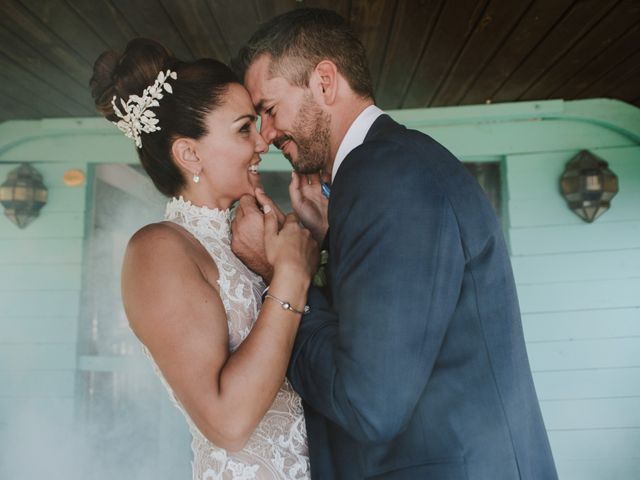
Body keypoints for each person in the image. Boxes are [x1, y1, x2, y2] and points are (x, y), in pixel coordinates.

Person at [231, 8, 558, 479]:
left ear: (325, 81)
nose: (266, 134)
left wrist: (282, 274)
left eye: (269, 109)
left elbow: (369, 404)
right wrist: (327, 237)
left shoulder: (387, 176)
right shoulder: (394, 167)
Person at [90, 38, 317, 479]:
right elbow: (228, 423)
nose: (263, 142)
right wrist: (289, 275)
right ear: (189, 153)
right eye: (243, 128)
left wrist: (301, 246)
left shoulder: (248, 239)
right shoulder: (157, 251)